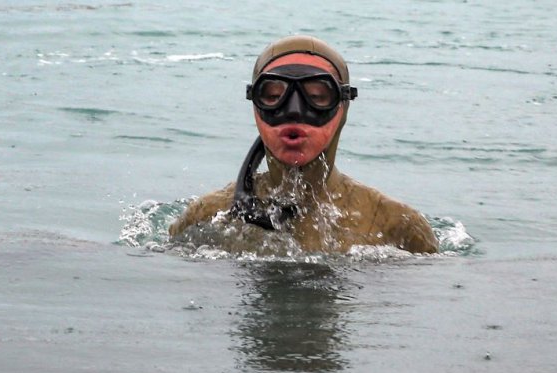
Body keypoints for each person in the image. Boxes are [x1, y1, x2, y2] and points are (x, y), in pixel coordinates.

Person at [169, 35, 438, 254]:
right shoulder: (207, 215)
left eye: (318, 96)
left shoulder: (397, 225)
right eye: (273, 96)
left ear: (343, 107)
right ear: (255, 107)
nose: (294, 112)